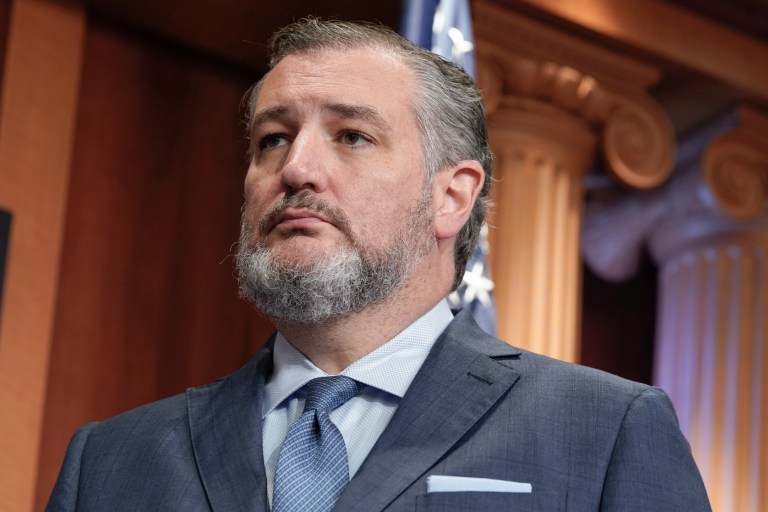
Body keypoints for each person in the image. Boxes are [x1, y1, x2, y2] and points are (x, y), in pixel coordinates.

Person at [46, 18, 711, 512]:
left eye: (353, 136)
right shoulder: (109, 462)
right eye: (272, 138)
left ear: (452, 196)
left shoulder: (604, 432)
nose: (296, 168)